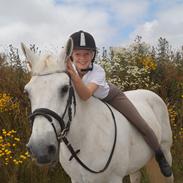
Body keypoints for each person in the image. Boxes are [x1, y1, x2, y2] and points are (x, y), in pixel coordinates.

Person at [66, 30, 172, 177]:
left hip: (110, 96)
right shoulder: (68, 71)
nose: (82, 58)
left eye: (87, 54)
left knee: (140, 122)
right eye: (78, 54)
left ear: (93, 55)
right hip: (91, 103)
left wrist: (72, 74)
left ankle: (160, 156)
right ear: (71, 56)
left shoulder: (98, 71)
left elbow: (84, 95)